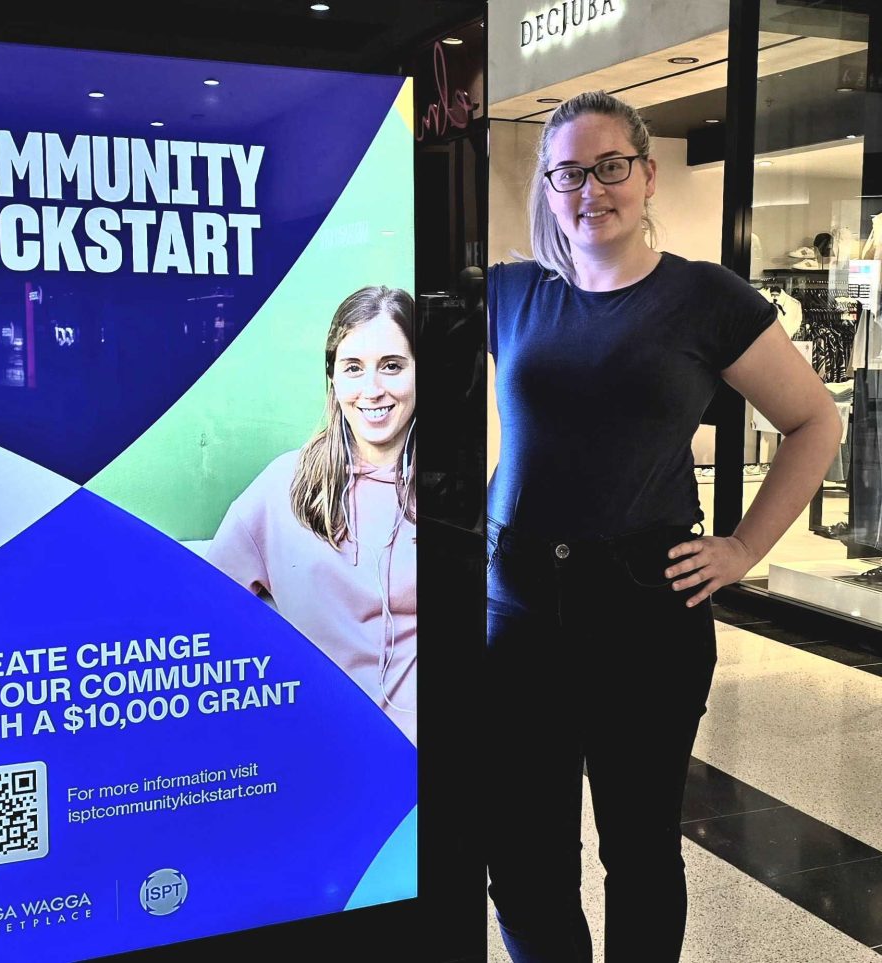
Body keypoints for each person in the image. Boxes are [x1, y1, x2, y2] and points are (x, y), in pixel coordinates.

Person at [485, 90, 843, 963]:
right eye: (569, 171)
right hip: (517, 609)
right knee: (523, 860)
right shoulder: (511, 291)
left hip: (645, 610)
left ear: (647, 174)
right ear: (548, 184)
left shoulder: (703, 297)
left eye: (611, 167)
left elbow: (815, 421)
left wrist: (746, 547)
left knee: (639, 851)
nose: (590, 189)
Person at [206, 286, 417, 745]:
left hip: (420, 760)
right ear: (333, 379)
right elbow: (206, 611)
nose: (372, 389)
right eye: (353, 368)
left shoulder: (453, 494)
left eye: (393, 366)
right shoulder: (282, 485)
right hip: (312, 749)